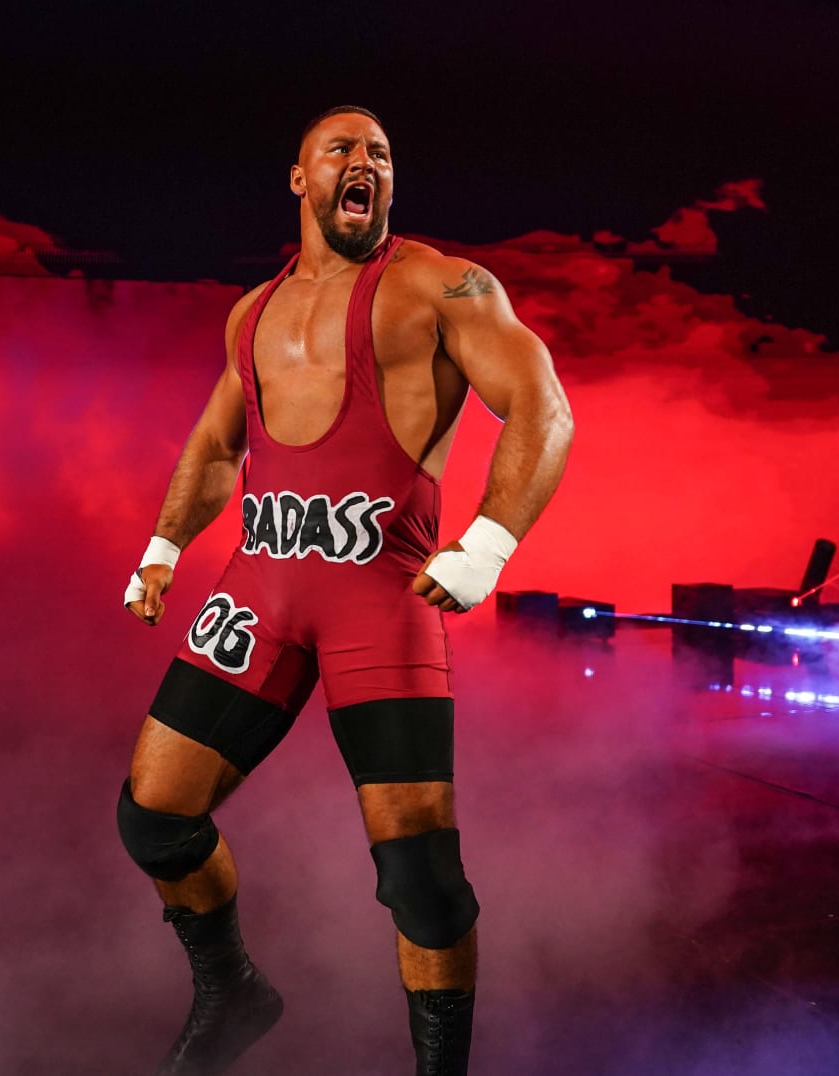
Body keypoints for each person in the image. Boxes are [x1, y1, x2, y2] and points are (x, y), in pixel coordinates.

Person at [116, 105, 573, 1076]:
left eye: (380, 153)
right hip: (264, 587)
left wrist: (488, 540)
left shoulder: (442, 286)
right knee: (153, 812)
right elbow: (213, 447)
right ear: (299, 179)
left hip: (380, 592)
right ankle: (232, 986)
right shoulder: (252, 312)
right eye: (343, 150)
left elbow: (543, 402)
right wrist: (161, 545)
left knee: (422, 879)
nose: (364, 163)